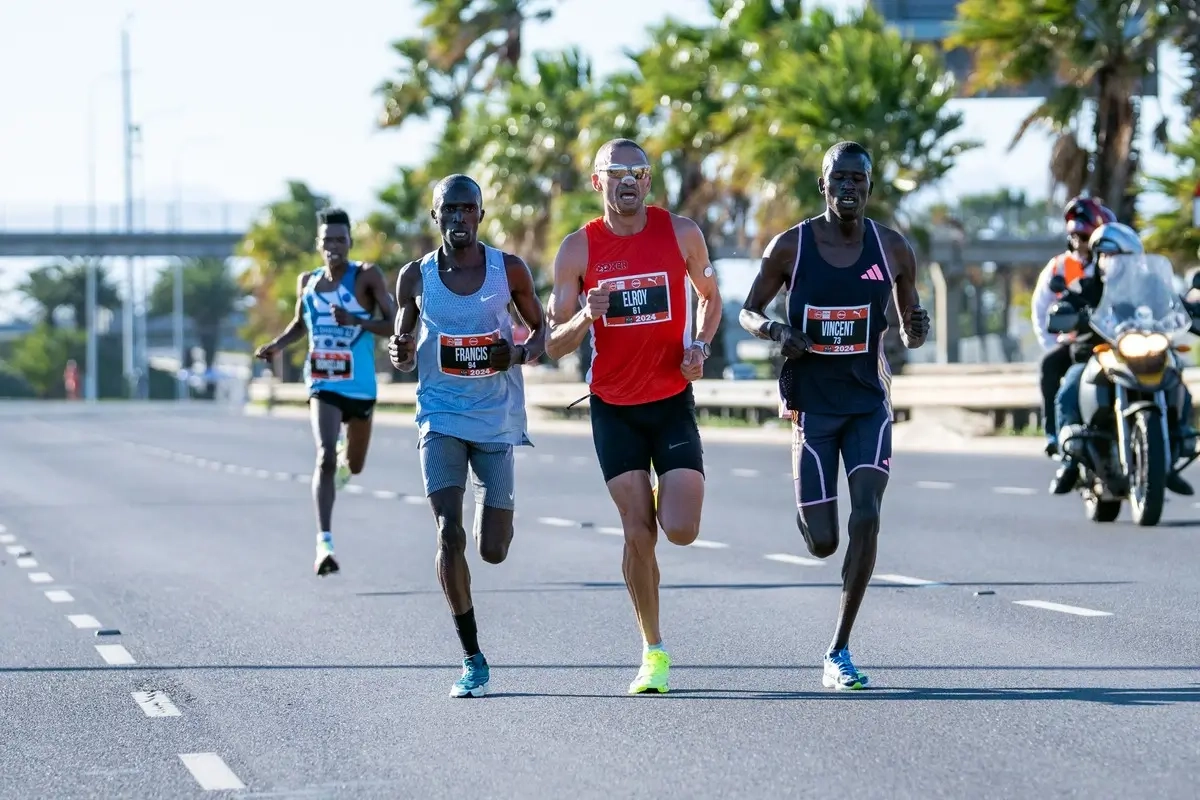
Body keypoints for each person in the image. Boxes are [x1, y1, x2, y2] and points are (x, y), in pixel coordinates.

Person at [739, 141, 930, 691]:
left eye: (859, 180)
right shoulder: (791, 246)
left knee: (867, 515)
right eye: (839, 179)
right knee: (823, 541)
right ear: (823, 186)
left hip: (868, 403)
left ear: (870, 188)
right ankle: (805, 494)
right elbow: (750, 311)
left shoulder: (891, 248)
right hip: (813, 408)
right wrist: (778, 332)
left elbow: (910, 321)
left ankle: (839, 648)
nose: (849, 188)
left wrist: (917, 327)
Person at [545, 138, 722, 695]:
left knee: (681, 529)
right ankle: (653, 650)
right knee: (637, 532)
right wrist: (585, 319)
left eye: (638, 172)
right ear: (597, 182)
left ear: (649, 181)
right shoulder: (577, 250)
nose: (628, 181)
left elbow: (710, 298)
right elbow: (553, 343)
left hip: (670, 402)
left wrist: (700, 345)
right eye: (616, 172)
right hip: (614, 408)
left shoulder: (682, 233)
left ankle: (655, 504)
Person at [387, 174, 546, 698]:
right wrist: (401, 352)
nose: (458, 218)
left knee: (493, 549)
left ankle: (493, 518)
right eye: (448, 210)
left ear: (480, 214)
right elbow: (403, 339)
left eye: (467, 209)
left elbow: (540, 332)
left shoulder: (509, 271)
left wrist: (517, 352)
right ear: (435, 218)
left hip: (495, 419)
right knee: (447, 533)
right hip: (439, 416)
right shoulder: (415, 276)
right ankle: (472, 657)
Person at [254, 208, 397, 576]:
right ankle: (324, 542)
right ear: (318, 245)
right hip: (323, 381)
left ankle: (343, 464)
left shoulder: (366, 277)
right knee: (324, 456)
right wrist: (276, 345)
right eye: (327, 240)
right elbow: (301, 324)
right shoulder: (309, 281)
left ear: (349, 242)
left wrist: (358, 321)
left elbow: (394, 322)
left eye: (340, 239)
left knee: (356, 465)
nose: (334, 246)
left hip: (361, 386)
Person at [1050, 222, 1194, 495]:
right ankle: (1069, 461)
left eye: (1113, 255)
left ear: (1133, 257)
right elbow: (1067, 304)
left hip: (1146, 351)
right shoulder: (1086, 286)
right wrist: (1067, 312)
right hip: (1099, 354)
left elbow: (1174, 306)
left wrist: (1190, 312)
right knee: (1071, 383)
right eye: (1102, 255)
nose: (1107, 261)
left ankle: (1172, 452)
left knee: (1178, 379)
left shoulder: (1153, 285)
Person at [1030, 196, 1115, 455]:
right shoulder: (1059, 267)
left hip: (1119, 342)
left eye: (1086, 236)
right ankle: (1058, 438)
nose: (1082, 242)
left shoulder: (1118, 266)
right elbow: (1041, 307)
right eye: (1077, 236)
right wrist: (1054, 341)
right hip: (1079, 343)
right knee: (1054, 371)